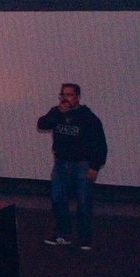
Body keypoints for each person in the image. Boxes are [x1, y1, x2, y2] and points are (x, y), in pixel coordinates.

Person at [37, 83, 106, 249]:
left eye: (69, 95)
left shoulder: (88, 117)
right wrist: (57, 114)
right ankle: (63, 234)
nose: (65, 98)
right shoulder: (56, 112)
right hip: (61, 163)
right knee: (57, 199)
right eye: (63, 95)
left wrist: (95, 166)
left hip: (82, 165)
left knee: (83, 201)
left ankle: (84, 238)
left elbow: (100, 144)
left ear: (77, 97)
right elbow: (42, 124)